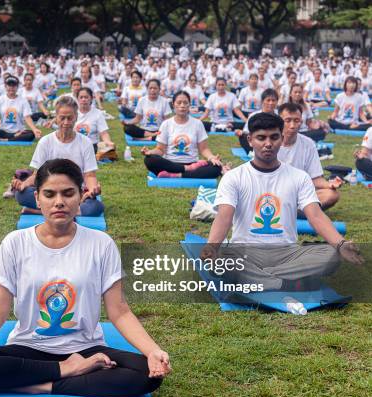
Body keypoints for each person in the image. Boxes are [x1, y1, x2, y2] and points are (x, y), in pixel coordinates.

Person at [0, 158, 170, 397]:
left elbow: (119, 311)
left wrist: (152, 351)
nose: (59, 202)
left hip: (86, 349)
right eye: (49, 194)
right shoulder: (15, 243)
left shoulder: (101, 244)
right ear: (37, 198)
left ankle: (39, 384)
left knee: (144, 374)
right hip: (30, 346)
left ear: (81, 196)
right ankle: (66, 371)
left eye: (68, 193)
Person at [200, 112, 363, 307]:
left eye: (274, 137)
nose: (268, 143)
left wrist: (341, 244)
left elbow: (316, 216)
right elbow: (224, 217)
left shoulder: (298, 177)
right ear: (250, 140)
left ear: (281, 138)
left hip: (287, 253)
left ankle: (258, 282)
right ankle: (285, 283)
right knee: (218, 262)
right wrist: (212, 246)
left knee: (331, 255)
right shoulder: (235, 177)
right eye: (261, 138)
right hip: (244, 251)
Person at [12, 96, 104, 217]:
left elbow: (89, 175)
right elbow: (37, 175)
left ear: (76, 117)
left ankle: (42, 211)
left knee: (96, 207)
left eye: (70, 118)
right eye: (62, 118)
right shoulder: (46, 142)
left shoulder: (85, 142)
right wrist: (23, 184)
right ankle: (73, 211)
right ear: (56, 118)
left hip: (74, 194)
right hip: (51, 192)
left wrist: (92, 190)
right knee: (21, 194)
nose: (66, 122)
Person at [142, 91, 225, 179]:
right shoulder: (166, 124)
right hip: (170, 164)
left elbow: (203, 149)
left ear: (189, 105)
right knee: (149, 160)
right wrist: (150, 152)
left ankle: (176, 175)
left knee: (217, 167)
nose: (182, 105)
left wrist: (211, 157)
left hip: (193, 164)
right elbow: (160, 149)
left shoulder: (198, 124)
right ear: (173, 105)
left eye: (185, 103)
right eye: (179, 102)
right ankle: (186, 170)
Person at [277, 103, 341, 212]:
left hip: (298, 196)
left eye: (296, 121)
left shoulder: (308, 144)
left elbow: (315, 178)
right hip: (273, 194)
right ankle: (300, 211)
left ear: (301, 122)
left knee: (332, 195)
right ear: (279, 121)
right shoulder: (269, 142)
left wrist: (329, 184)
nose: (292, 125)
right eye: (287, 120)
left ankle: (290, 211)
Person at [0, 76, 42, 142]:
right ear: (5, 86)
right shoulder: (0, 99)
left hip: (19, 131)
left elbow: (27, 117)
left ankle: (7, 140)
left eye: (13, 86)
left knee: (30, 134)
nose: (11, 88)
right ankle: (13, 138)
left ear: (17, 87)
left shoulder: (23, 100)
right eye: (9, 85)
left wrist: (34, 129)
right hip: (4, 131)